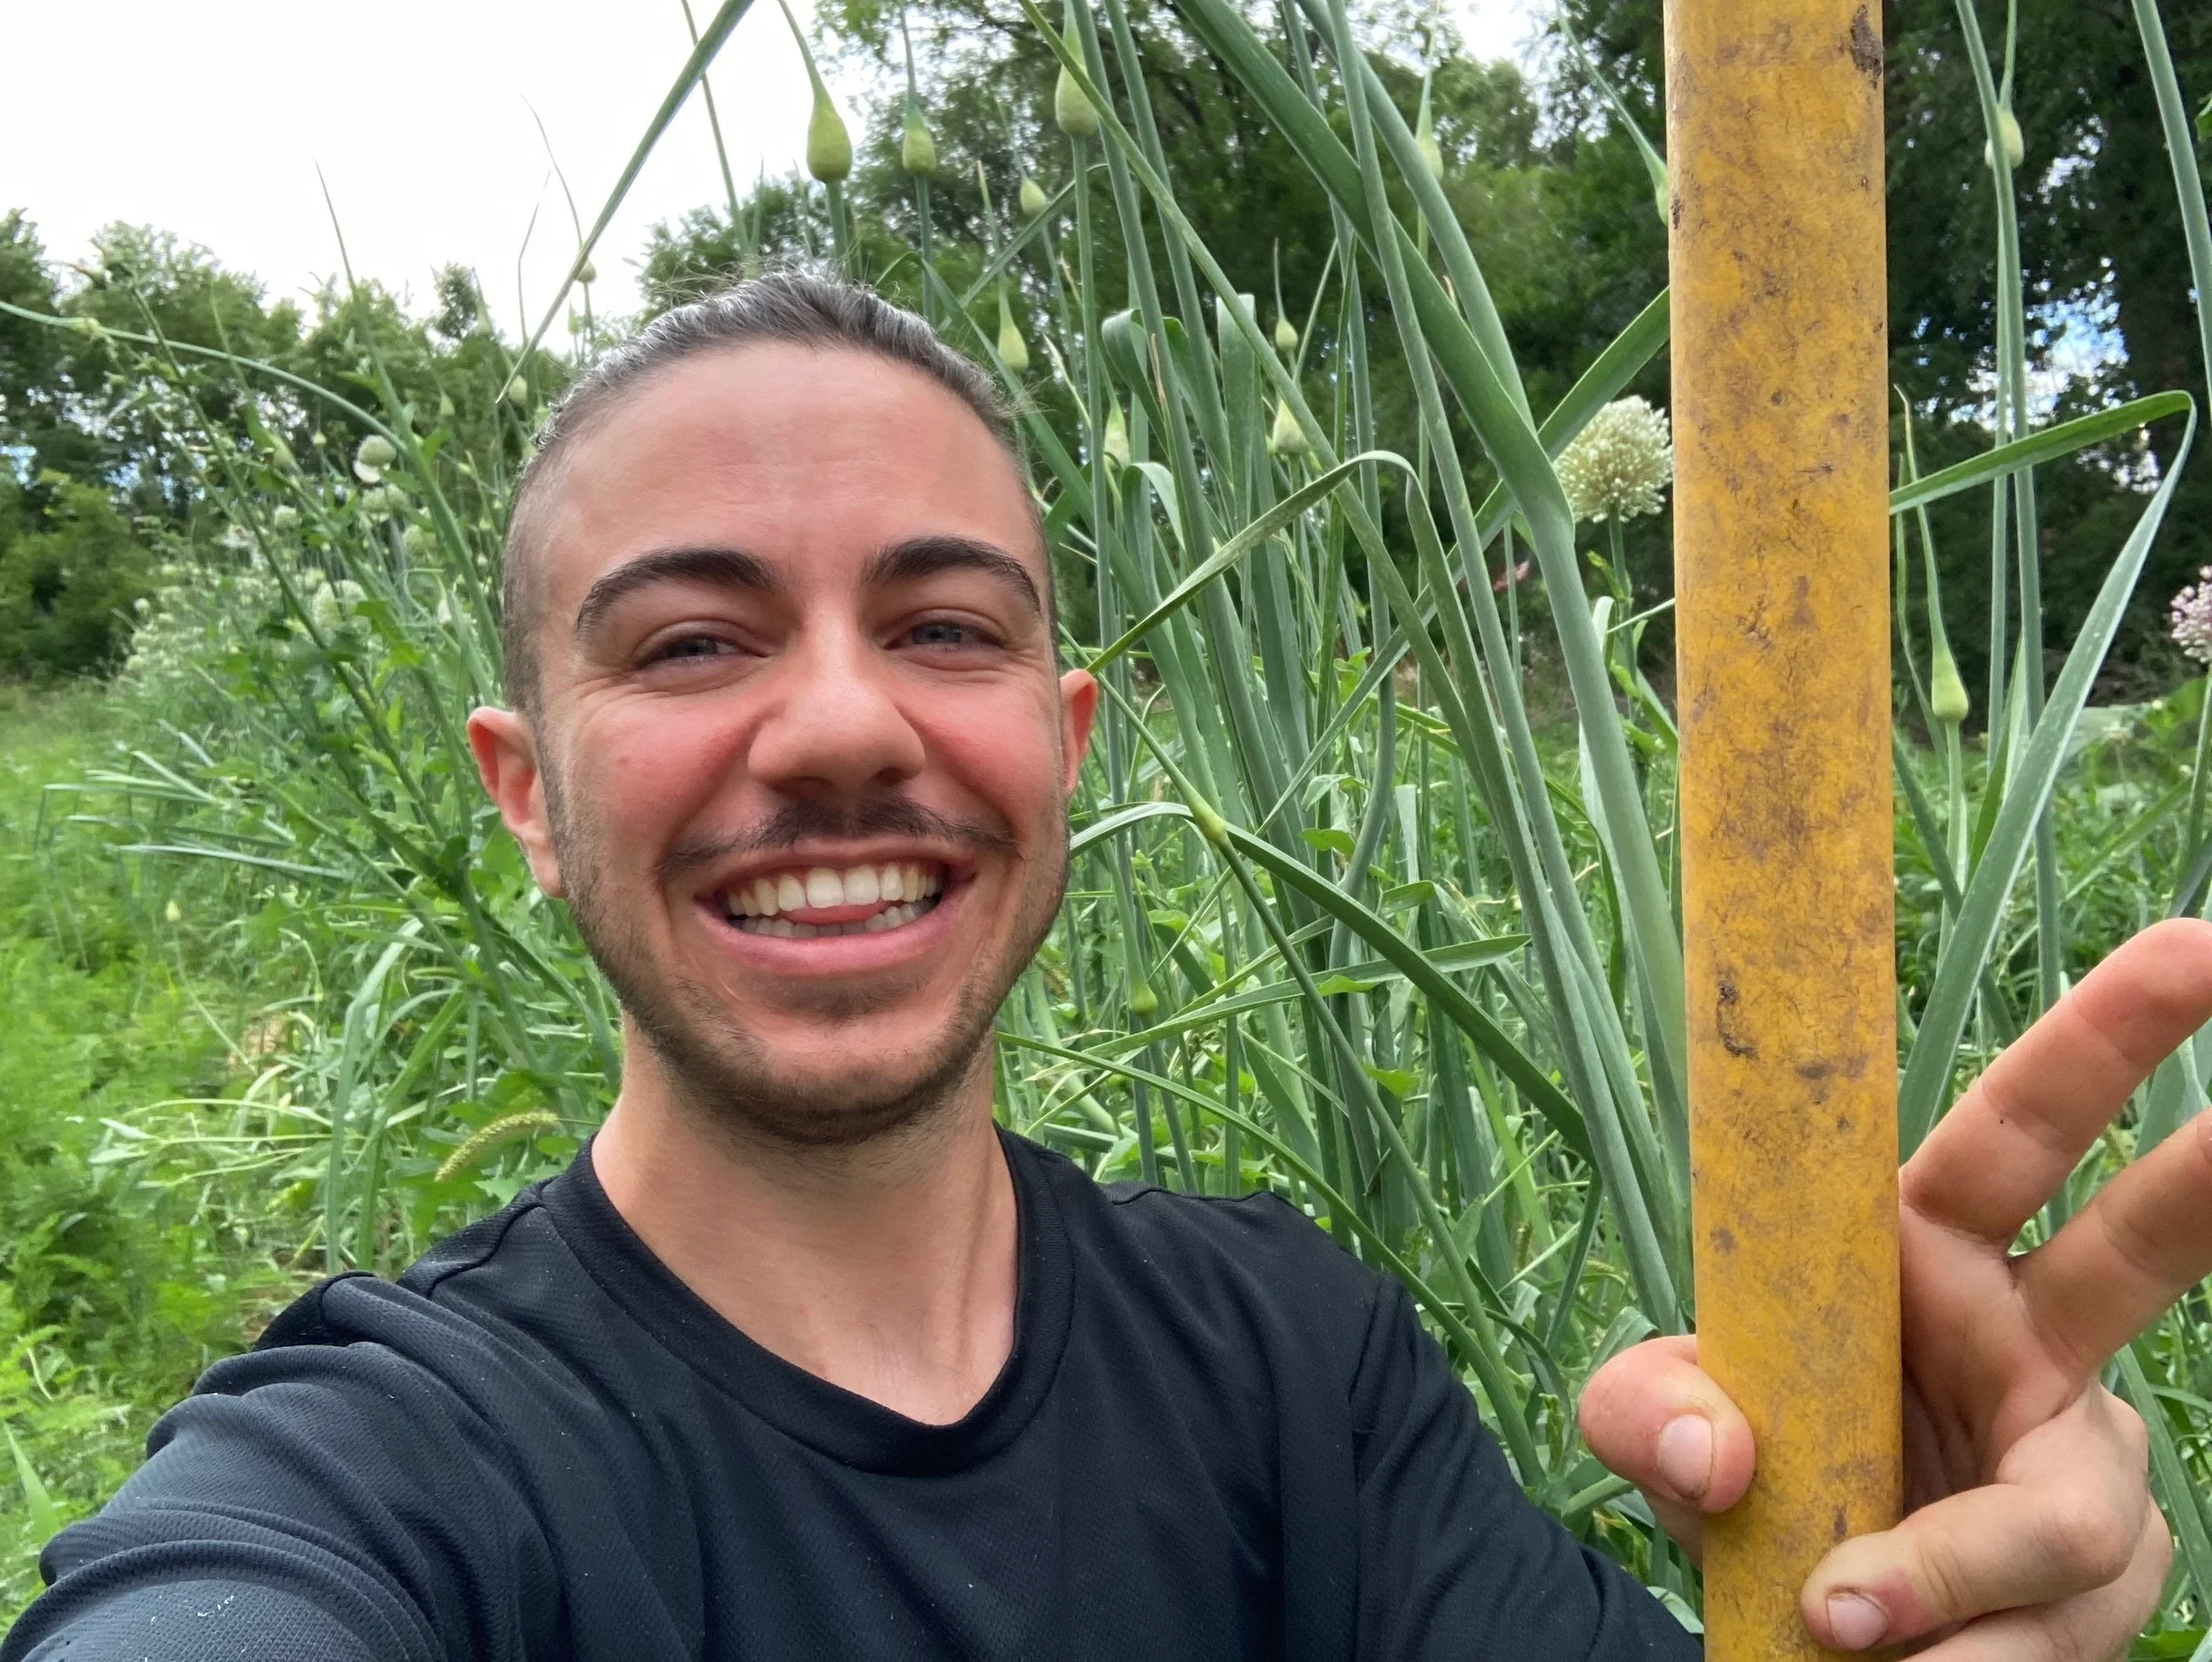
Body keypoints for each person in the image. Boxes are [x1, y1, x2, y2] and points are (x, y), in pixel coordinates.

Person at [7, 272, 2207, 1661]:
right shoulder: (387, 1477)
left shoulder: (1295, 1366)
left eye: (947, 627)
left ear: (1058, 752)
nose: (851, 722)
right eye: (692, 642)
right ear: (523, 788)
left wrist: (1851, 1543)